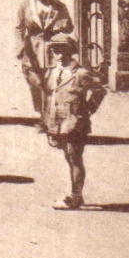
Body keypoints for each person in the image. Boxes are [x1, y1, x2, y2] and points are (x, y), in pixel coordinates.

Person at [41, 35, 106, 210]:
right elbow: (49, 97)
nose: (59, 55)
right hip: (58, 123)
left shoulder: (81, 73)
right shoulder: (52, 72)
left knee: (74, 157)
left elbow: (99, 90)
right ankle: (76, 194)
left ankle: (75, 197)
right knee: (69, 157)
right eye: (56, 51)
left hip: (75, 123)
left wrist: (88, 109)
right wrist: (47, 124)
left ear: (71, 52)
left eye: (64, 51)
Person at [16, 0, 74, 131]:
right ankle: (41, 114)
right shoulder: (25, 6)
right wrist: (19, 46)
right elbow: (19, 28)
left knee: (51, 86)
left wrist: (61, 27)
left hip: (52, 51)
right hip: (31, 51)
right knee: (35, 85)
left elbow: (69, 27)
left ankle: (47, 120)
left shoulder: (59, 6)